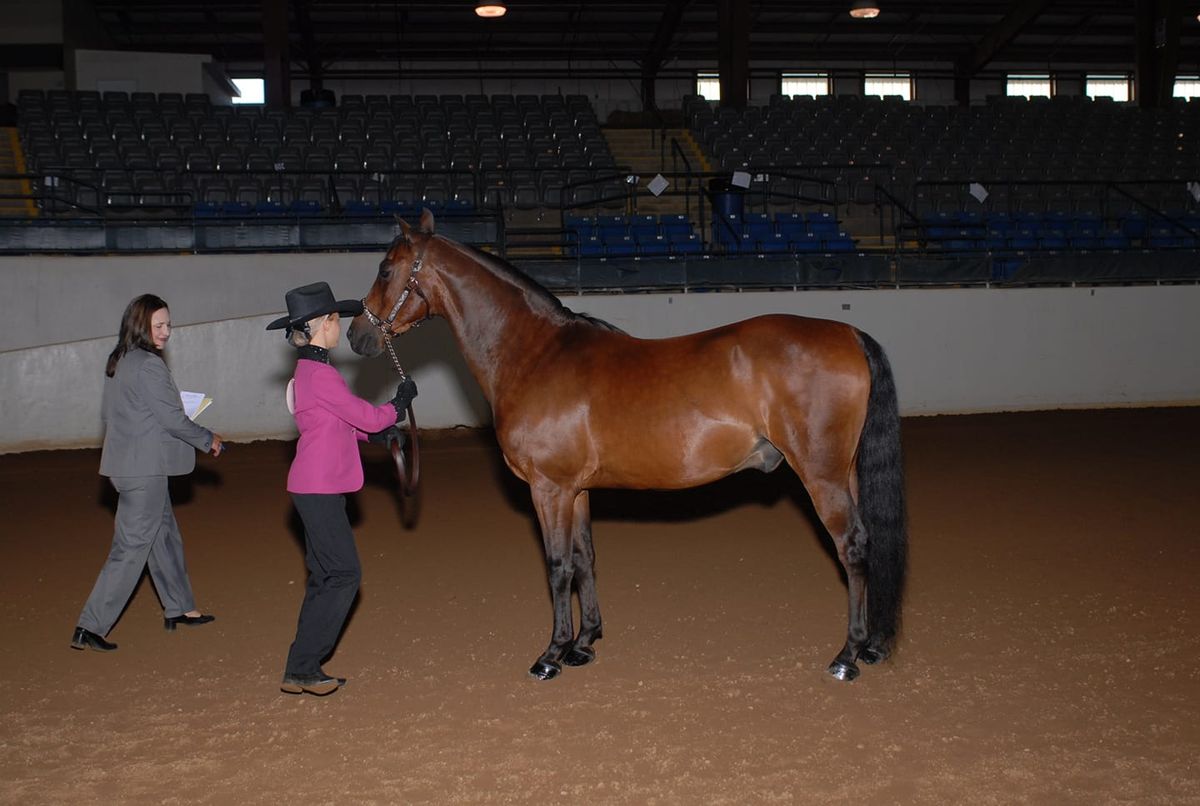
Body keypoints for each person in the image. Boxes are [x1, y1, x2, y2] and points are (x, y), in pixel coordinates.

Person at [267, 282, 417, 696]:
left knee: (324, 576)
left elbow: (339, 425)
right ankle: (304, 665)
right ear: (321, 326)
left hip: (312, 486)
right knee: (345, 575)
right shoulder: (321, 375)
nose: (341, 326)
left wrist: (379, 437)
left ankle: (301, 666)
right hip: (318, 488)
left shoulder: (309, 373)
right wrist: (396, 406)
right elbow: (362, 415)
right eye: (336, 319)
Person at [72, 294, 224, 653]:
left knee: (163, 536)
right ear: (141, 325)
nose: (166, 331)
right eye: (159, 325)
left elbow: (133, 415)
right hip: (144, 471)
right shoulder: (148, 365)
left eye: (169, 324)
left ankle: (181, 608)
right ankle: (89, 626)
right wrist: (207, 438)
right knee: (130, 548)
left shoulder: (121, 361)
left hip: (131, 466)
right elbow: (171, 419)